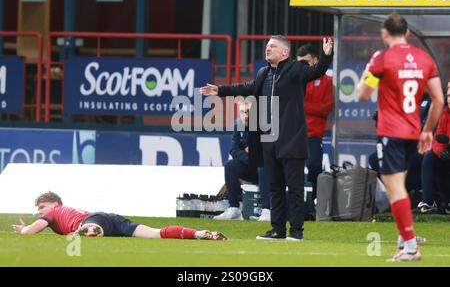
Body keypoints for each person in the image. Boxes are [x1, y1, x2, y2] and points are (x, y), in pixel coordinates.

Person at [200, 35, 333, 241]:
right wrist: (220, 90)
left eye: (272, 46)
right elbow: (247, 87)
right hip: (268, 139)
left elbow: (317, 71)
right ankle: (277, 230)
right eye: (267, 46)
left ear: (285, 52)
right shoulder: (263, 73)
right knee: (275, 188)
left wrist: (326, 56)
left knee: (294, 188)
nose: (267, 49)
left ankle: (296, 232)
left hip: (292, 140)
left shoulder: (296, 70)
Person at [357, 14, 444, 261]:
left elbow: (363, 94)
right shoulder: (424, 58)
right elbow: (438, 99)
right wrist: (428, 130)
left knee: (395, 191)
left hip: (390, 133)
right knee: (401, 190)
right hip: (413, 132)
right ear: (407, 33)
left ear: (385, 33)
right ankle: (403, 241)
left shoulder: (382, 58)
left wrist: (369, 71)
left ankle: (410, 246)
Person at [12, 191, 227, 240]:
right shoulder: (62, 211)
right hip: (110, 218)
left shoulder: (54, 213)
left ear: (56, 204)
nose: (41, 211)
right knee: (155, 234)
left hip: (93, 221)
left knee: (90, 231)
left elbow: (31, 231)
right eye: (39, 208)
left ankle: (89, 231)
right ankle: (199, 233)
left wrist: (24, 229)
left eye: (43, 206)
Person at [213, 99, 271, 221]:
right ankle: (234, 208)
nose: (245, 116)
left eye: (248, 112)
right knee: (230, 166)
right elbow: (233, 150)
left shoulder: (263, 126)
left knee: (263, 165)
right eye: (242, 112)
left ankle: (267, 210)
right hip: (251, 166)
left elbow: (265, 152)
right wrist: (250, 155)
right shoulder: (238, 125)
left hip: (267, 170)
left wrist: (250, 152)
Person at [296, 44, 334, 204]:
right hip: (294, 133)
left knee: (314, 165)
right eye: (300, 63)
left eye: (306, 62)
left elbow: (325, 108)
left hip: (313, 134)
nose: (303, 66)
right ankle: (295, 203)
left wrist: (301, 106)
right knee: (290, 169)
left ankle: (314, 202)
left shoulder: (327, 81)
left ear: (316, 60)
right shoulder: (295, 78)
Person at [419, 85, 450, 214]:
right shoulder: (445, 113)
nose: (449, 99)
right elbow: (438, 137)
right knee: (430, 157)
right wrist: (441, 151)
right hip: (446, 153)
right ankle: (429, 201)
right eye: (448, 96)